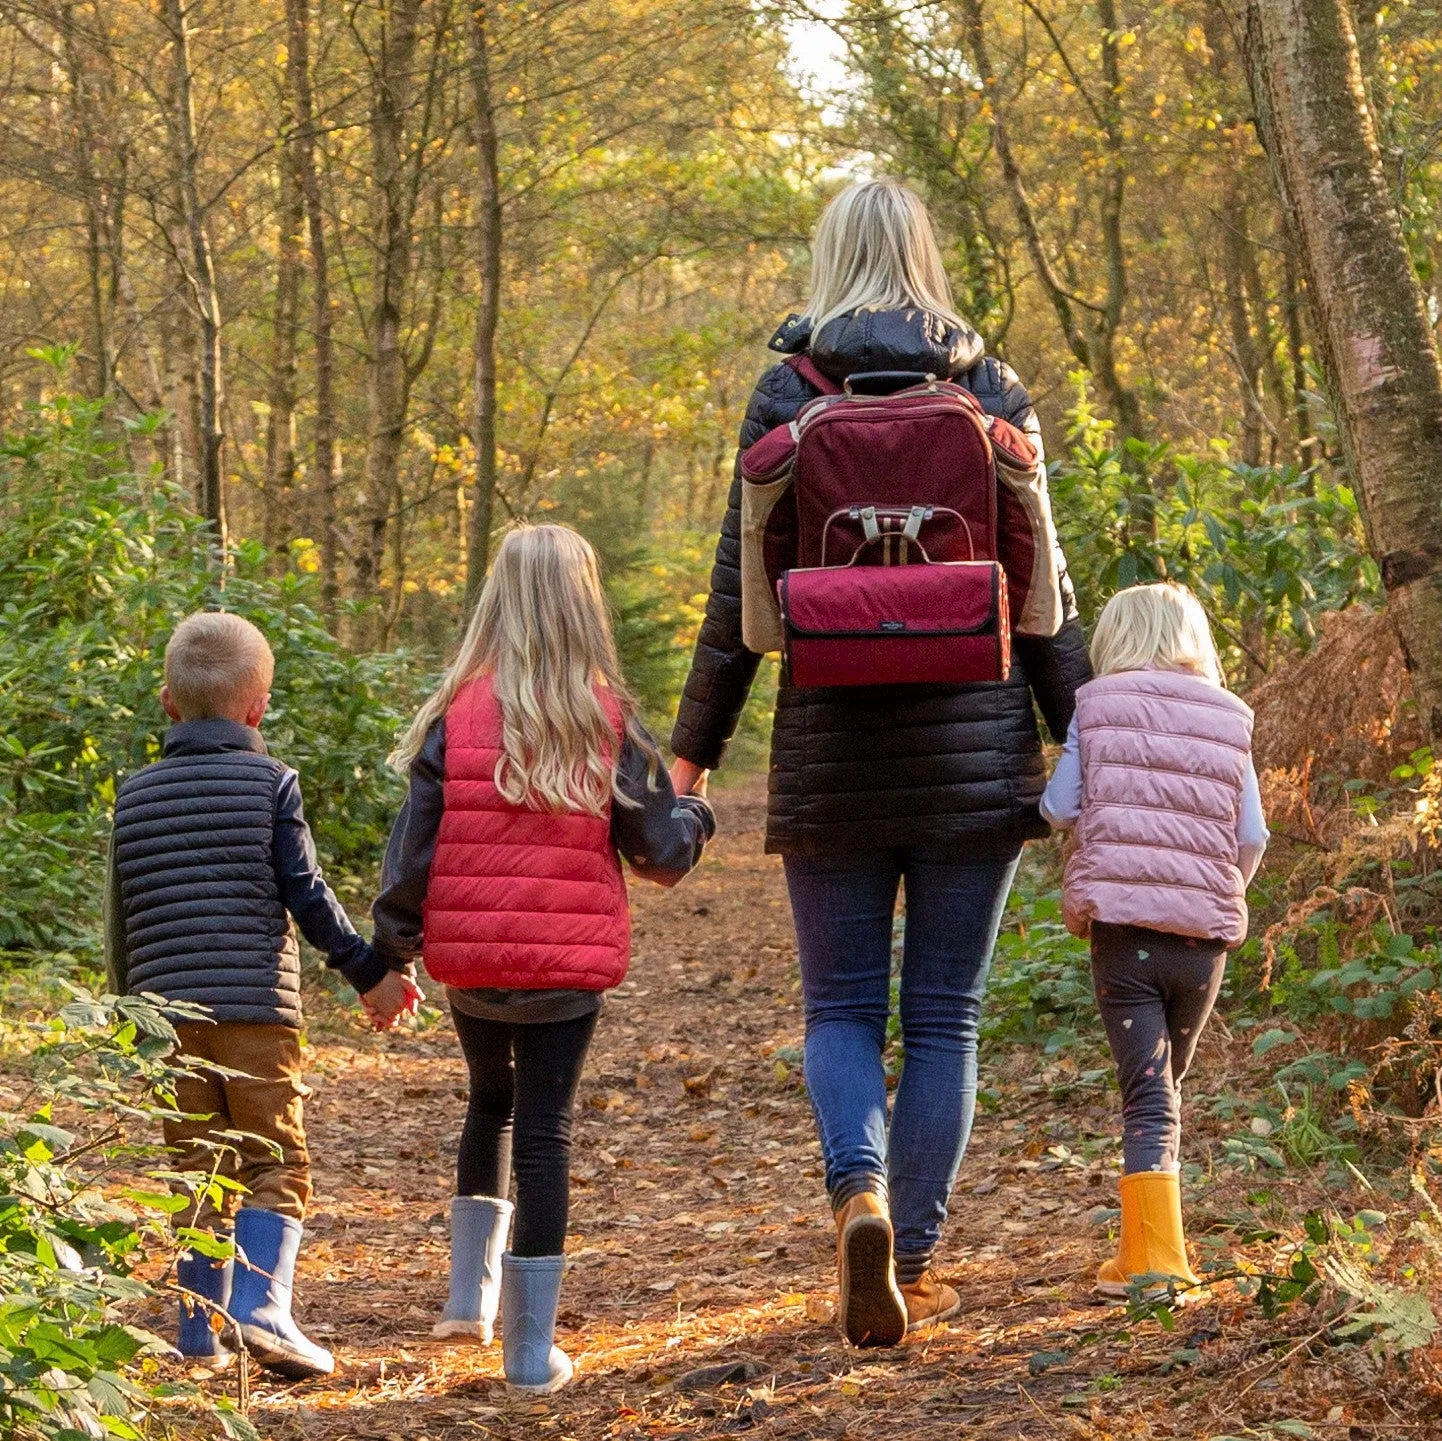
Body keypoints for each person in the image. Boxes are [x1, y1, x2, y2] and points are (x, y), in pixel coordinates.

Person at [669, 178, 1092, 1346]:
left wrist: (689, 757)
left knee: (842, 1006)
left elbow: (733, 597)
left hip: (831, 749)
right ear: (923, 256)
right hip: (975, 747)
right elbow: (1044, 597)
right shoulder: (990, 389)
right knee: (944, 1019)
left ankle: (853, 1190)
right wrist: (1087, 734)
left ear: (828, 258)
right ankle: (910, 1250)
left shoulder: (784, 392)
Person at [372, 523, 714, 1394]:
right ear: (582, 604)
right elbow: (661, 856)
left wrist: (393, 949)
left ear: (498, 600)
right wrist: (697, 814)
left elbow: (412, 852)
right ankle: (528, 1354)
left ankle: (465, 1301)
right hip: (565, 969)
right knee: (546, 1132)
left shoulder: (457, 713)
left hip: (476, 965)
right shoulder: (604, 717)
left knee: (489, 1104)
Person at [105, 611, 421, 1379]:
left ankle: (198, 1332)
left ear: (167, 703)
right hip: (255, 1009)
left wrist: (128, 1015)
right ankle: (260, 1306)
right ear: (259, 707)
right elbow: (306, 894)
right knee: (274, 1156)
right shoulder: (270, 782)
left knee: (195, 1164)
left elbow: (120, 915)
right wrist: (371, 972)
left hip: (164, 1017)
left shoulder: (134, 796)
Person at [1040, 581, 1268, 1299]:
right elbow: (1252, 835)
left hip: (1122, 930)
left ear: (1116, 636)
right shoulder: (1232, 715)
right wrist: (1216, 886)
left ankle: (1155, 1263)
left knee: (1147, 1094)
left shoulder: (1095, 705)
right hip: (1203, 940)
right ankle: (1143, 1247)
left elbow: (1059, 804)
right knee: (1164, 1088)